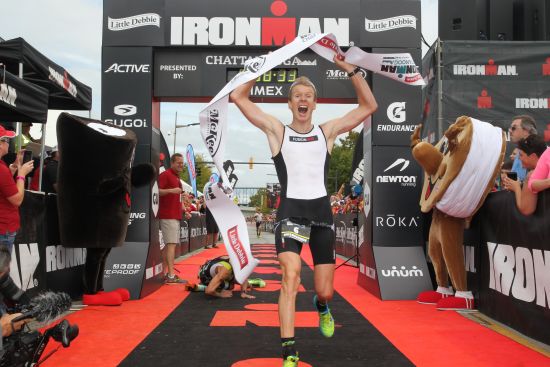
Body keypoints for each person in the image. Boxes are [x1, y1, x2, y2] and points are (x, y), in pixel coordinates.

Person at [231, 54, 377, 366]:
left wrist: (349, 69)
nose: (303, 99)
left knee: (325, 292)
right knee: (291, 275)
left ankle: (322, 306)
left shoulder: (328, 131)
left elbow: (369, 107)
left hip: (322, 216)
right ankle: (289, 349)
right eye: (297, 95)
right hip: (291, 215)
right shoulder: (276, 130)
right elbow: (238, 96)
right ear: (289, 103)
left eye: (308, 96)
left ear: (314, 104)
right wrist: (261, 68)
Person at [0, 126, 34, 252]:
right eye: (7, 140)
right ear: (0, 144)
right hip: (3, 228)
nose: (9, 144)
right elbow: (18, 200)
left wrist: (13, 168)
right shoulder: (1, 168)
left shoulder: (2, 166)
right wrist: (22, 174)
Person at [158, 153, 188, 284]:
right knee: (171, 245)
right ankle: (170, 275)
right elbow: (156, 191)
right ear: (172, 163)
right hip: (167, 215)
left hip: (174, 215)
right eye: (178, 163)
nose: (181, 165)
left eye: (182, 163)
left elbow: (178, 197)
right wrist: (171, 190)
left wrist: (184, 209)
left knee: (169, 246)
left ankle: (164, 274)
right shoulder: (165, 175)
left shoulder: (177, 177)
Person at [501, 134, 547, 215]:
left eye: (521, 155)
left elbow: (526, 209)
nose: (518, 158)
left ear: (533, 156)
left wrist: (516, 187)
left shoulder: (533, 175)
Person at [186, 255, 265, 298]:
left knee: (240, 281)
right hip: (205, 277)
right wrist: (220, 294)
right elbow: (209, 291)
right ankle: (202, 287)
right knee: (230, 287)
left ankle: (248, 283)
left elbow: (243, 275)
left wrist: (243, 292)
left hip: (210, 268)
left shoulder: (235, 260)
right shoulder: (226, 271)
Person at [508, 115, 537, 182]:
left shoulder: (540, 152)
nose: (509, 130)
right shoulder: (519, 152)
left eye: (513, 128)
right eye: (510, 128)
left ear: (526, 131)